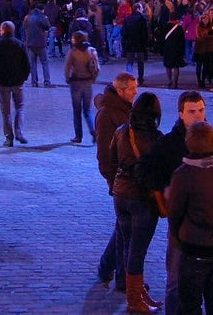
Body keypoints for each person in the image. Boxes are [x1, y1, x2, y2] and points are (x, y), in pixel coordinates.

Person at [138, 90, 213, 314]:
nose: (198, 115)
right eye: (192, 111)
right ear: (181, 114)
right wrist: (164, 188)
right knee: (176, 282)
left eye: (201, 110)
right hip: (183, 232)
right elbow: (143, 169)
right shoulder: (169, 144)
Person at [167, 121, 213, 315]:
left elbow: (175, 212)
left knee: (189, 304)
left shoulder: (184, 174)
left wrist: (177, 235)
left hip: (193, 248)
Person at [109, 91, 164, 314]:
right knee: (137, 250)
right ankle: (134, 300)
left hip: (120, 194)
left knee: (127, 243)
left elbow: (112, 158)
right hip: (141, 198)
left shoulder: (122, 131)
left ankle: (137, 292)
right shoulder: (155, 138)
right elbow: (159, 169)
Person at [95, 72, 139, 291]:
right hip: (121, 182)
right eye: (132, 89)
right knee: (125, 229)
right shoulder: (106, 114)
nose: (136, 92)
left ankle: (108, 268)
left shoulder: (127, 109)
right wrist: (113, 182)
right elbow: (104, 155)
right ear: (120, 90)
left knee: (123, 229)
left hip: (128, 181)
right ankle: (122, 277)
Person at [0, 20, 30, 146]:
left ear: (2, 30)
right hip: (17, 81)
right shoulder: (19, 44)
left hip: (2, 81)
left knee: (5, 111)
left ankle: (9, 137)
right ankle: (19, 132)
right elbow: (26, 63)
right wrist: (24, 77)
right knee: (20, 107)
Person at [64, 29, 99, 143]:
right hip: (88, 82)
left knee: (77, 110)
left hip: (76, 83)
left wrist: (67, 78)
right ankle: (94, 131)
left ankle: (78, 136)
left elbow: (67, 67)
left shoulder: (73, 52)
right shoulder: (92, 51)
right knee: (87, 110)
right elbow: (97, 67)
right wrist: (94, 78)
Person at [23, 3, 53, 87]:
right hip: (41, 43)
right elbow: (47, 26)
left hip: (30, 43)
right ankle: (47, 81)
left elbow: (24, 26)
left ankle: (34, 82)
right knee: (44, 62)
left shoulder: (27, 17)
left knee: (32, 63)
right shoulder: (42, 17)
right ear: (42, 9)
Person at [121, 3, 149, 85]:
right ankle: (140, 79)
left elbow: (123, 32)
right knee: (140, 62)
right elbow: (145, 32)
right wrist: (145, 41)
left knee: (130, 61)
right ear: (138, 9)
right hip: (140, 43)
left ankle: (129, 78)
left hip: (130, 42)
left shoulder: (128, 18)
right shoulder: (142, 19)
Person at [161, 12, 186, 90]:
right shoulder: (179, 28)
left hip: (167, 48)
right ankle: (176, 82)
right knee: (176, 67)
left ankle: (169, 80)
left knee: (168, 66)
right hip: (177, 49)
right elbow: (182, 40)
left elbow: (161, 38)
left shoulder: (165, 26)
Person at [194, 12, 213, 89]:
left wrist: (207, 36)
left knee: (206, 66)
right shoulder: (198, 27)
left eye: (207, 18)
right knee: (199, 66)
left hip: (208, 50)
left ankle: (203, 80)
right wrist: (208, 35)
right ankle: (199, 80)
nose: (206, 20)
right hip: (200, 49)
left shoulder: (211, 27)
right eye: (204, 18)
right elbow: (199, 37)